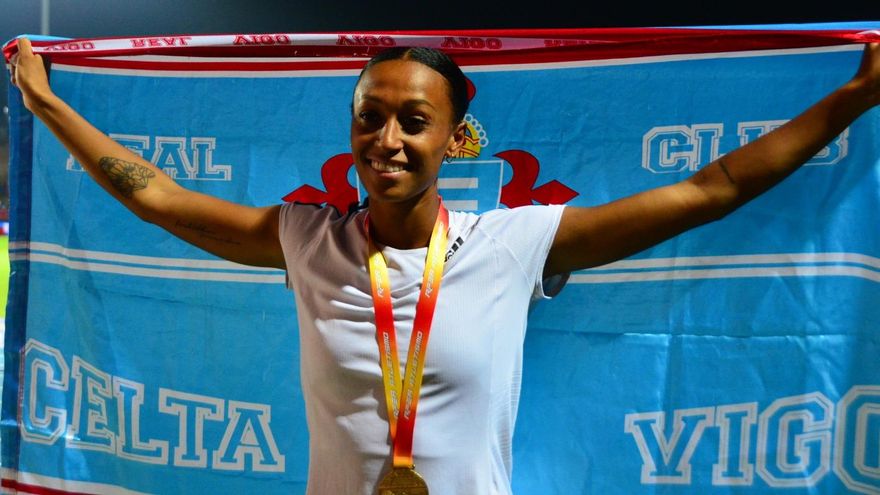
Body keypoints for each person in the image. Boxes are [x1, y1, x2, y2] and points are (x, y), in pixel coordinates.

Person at [8, 37, 880, 494]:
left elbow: (711, 188)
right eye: (369, 117)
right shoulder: (305, 240)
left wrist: (852, 96)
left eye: (413, 121)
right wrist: (45, 103)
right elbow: (157, 195)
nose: (387, 140)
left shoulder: (515, 243)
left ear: (454, 138)